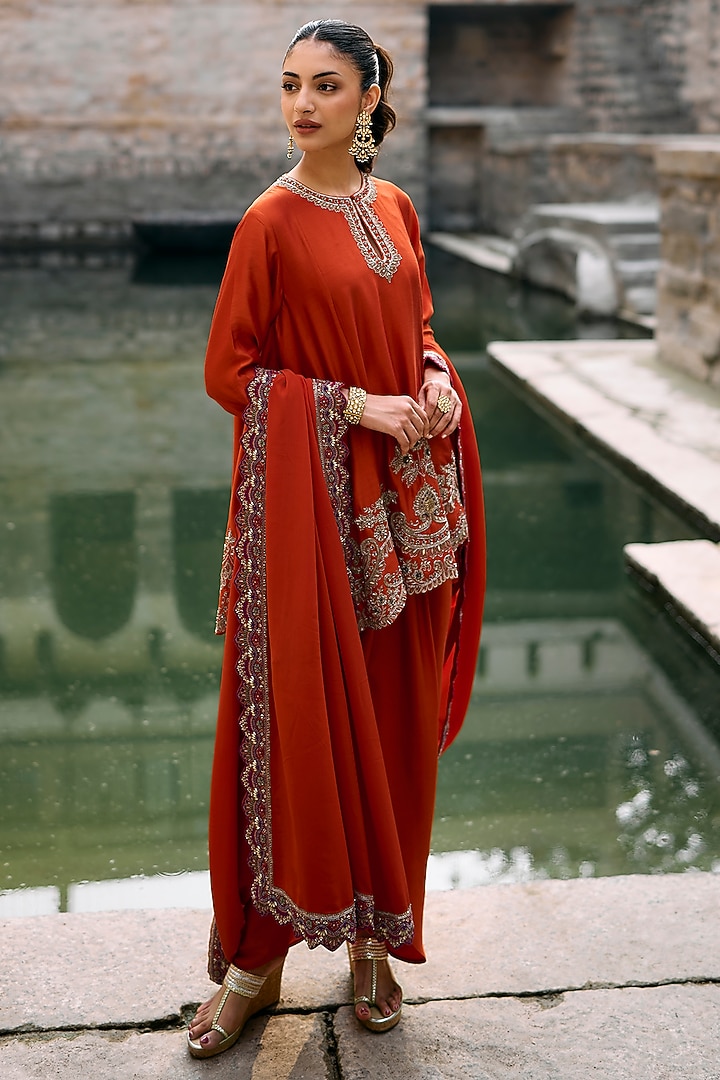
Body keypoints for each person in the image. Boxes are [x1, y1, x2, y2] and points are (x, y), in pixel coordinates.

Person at [187, 18, 485, 1058]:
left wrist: (438, 377)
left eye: (324, 86)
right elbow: (231, 375)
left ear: (367, 101)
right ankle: (255, 961)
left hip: (406, 517)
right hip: (309, 522)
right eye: (288, 86)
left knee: (394, 723)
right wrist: (353, 405)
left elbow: (422, 326)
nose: (302, 104)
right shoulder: (266, 222)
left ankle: (373, 940)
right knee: (293, 721)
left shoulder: (394, 206)